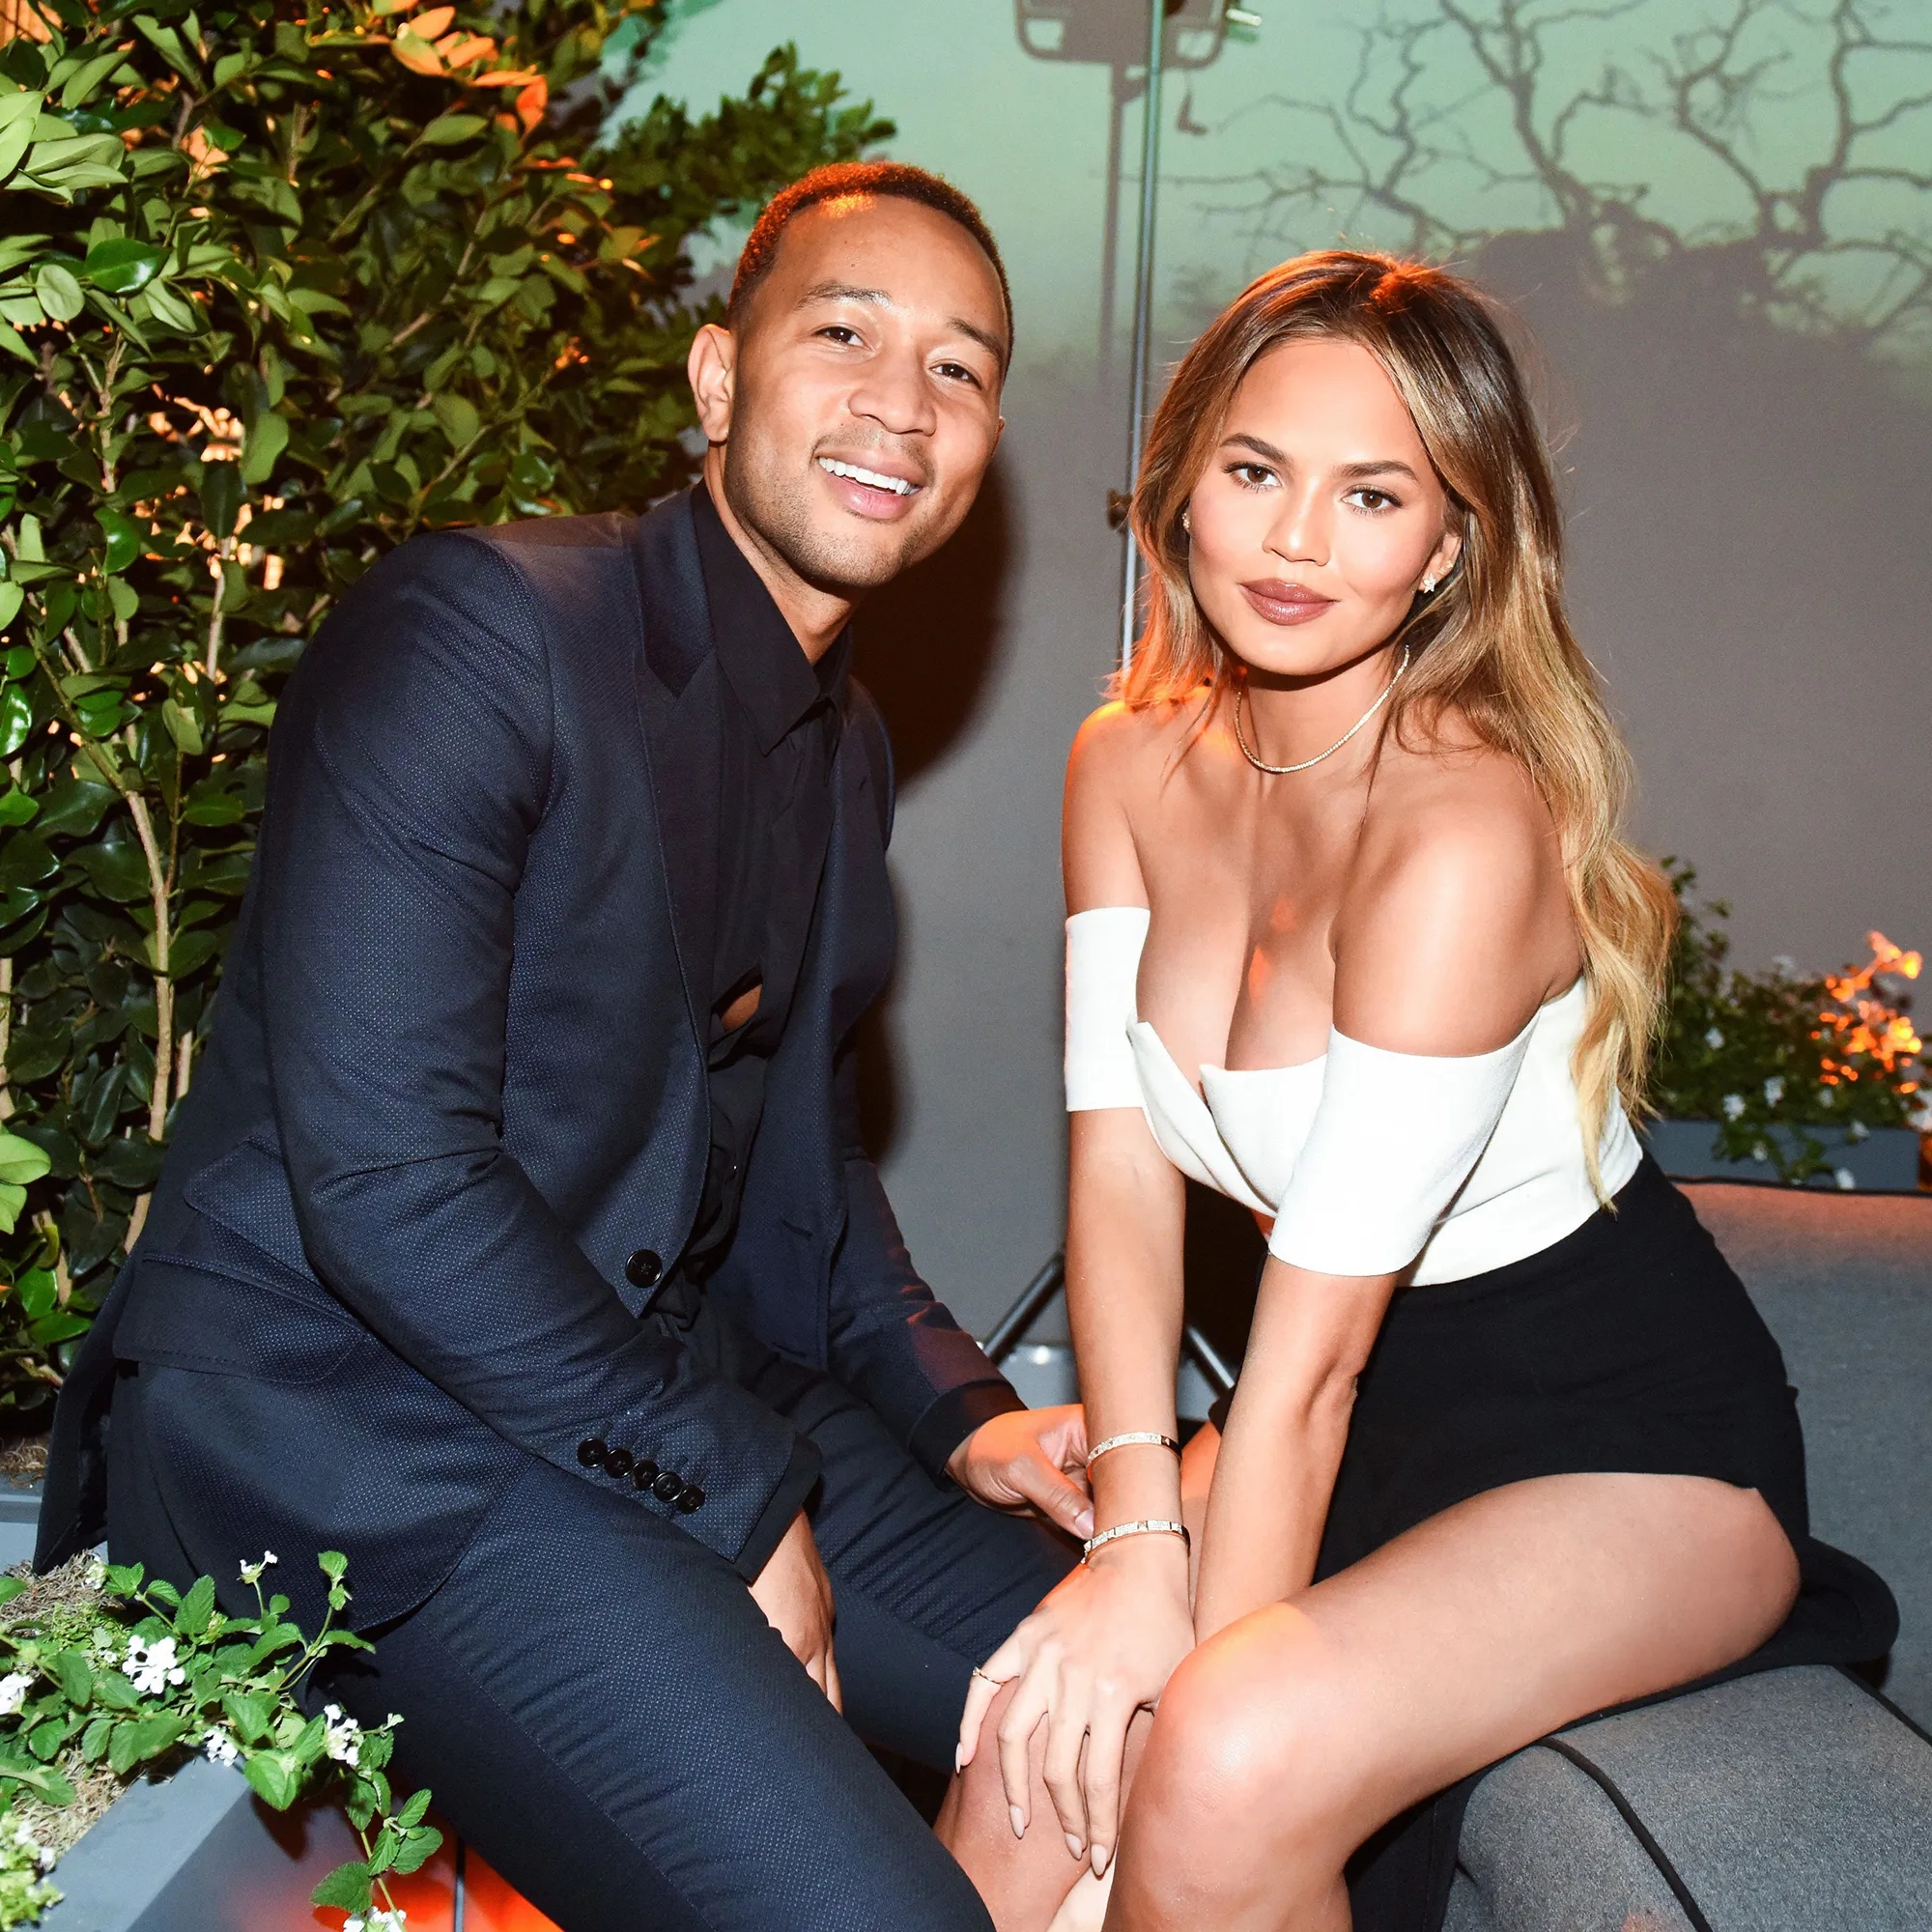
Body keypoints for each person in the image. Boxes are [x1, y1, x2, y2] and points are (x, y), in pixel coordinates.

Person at [37, 162, 1088, 1932]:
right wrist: (734, 1499)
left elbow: (809, 1184)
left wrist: (970, 1416)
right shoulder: (481, 630)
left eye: (960, 368)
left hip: (646, 1391)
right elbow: (393, 1181)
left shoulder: (844, 750)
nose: (903, 403)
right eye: (846, 334)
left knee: (1170, 1711)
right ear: (717, 380)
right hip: (359, 1431)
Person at [939, 252, 1896, 1932]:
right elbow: (1120, 1173)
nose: (1297, 541)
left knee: (1216, 1748)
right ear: (1183, 486)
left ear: (1450, 545)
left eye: (1372, 495)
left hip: (1618, 1444)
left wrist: (1191, 1666)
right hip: (1348, 1402)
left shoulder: (1464, 828)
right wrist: (1136, 1543)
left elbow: (1309, 1375)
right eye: (1257, 471)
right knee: (1038, 1742)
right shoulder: (1127, 762)